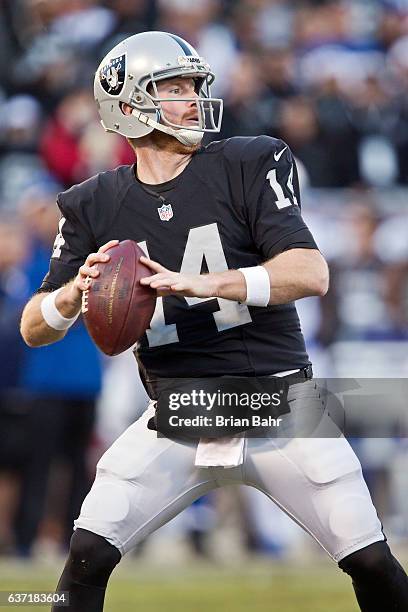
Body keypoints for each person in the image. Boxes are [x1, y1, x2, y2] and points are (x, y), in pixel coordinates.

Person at [20, 31, 408, 612]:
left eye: (193, 85)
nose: (192, 99)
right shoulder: (92, 203)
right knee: (84, 560)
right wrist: (78, 290)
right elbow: (34, 326)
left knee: (372, 562)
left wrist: (207, 282)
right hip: (177, 410)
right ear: (127, 105)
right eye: (171, 88)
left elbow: (310, 272)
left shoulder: (249, 161)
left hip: (277, 403)